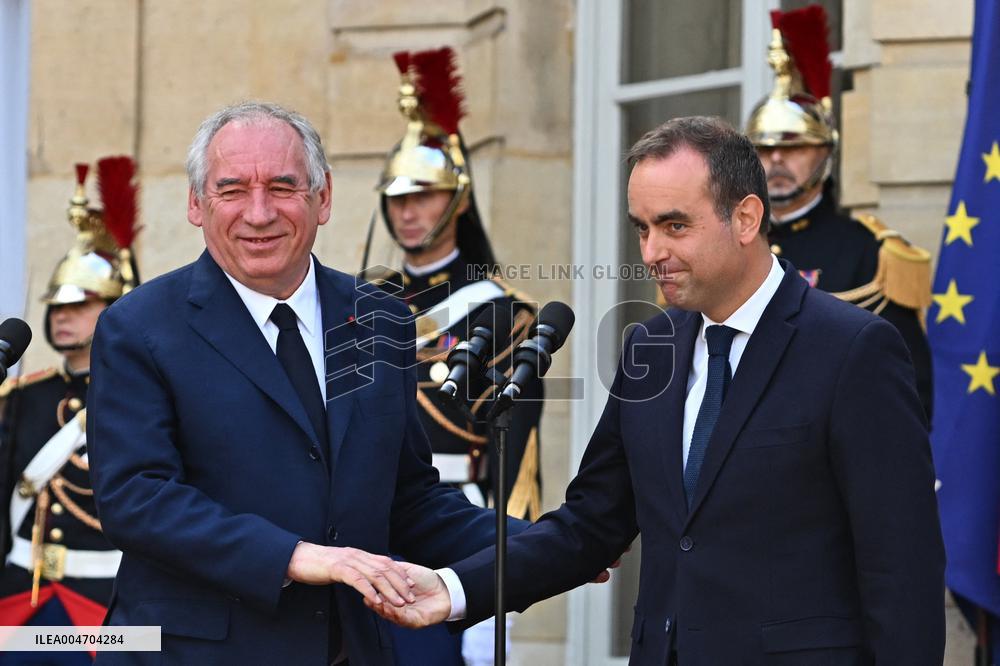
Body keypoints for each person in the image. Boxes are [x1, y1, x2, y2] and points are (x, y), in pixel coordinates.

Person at [373, 117, 946, 665]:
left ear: (746, 218)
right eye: (642, 228)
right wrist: (453, 589)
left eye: (674, 226)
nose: (650, 253)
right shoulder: (651, 347)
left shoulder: (854, 348)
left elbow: (902, 570)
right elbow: (591, 524)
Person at [85, 102, 512, 665]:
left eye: (283, 187)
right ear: (196, 203)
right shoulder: (138, 326)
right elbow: (137, 499)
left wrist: (547, 545)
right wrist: (295, 556)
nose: (258, 213)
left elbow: (406, 498)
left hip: (351, 650)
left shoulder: (381, 318)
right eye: (232, 189)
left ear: (323, 197)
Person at [365, 47, 544, 666]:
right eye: (397, 197)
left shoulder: (503, 313)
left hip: (455, 525)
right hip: (363, 523)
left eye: (425, 195)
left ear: (460, 199)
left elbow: (516, 457)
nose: (407, 211)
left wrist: (504, 567)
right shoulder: (356, 304)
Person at [745, 4, 934, 420]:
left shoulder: (868, 251)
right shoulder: (723, 244)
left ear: (826, 154)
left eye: (794, 147)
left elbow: (906, 391)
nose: (777, 160)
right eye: (763, 148)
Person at [0, 158, 140, 663]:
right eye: (57, 307)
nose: (62, 317)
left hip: (110, 604)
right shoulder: (21, 396)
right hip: (19, 598)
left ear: (115, 308)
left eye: (80, 305)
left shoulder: (141, 400)